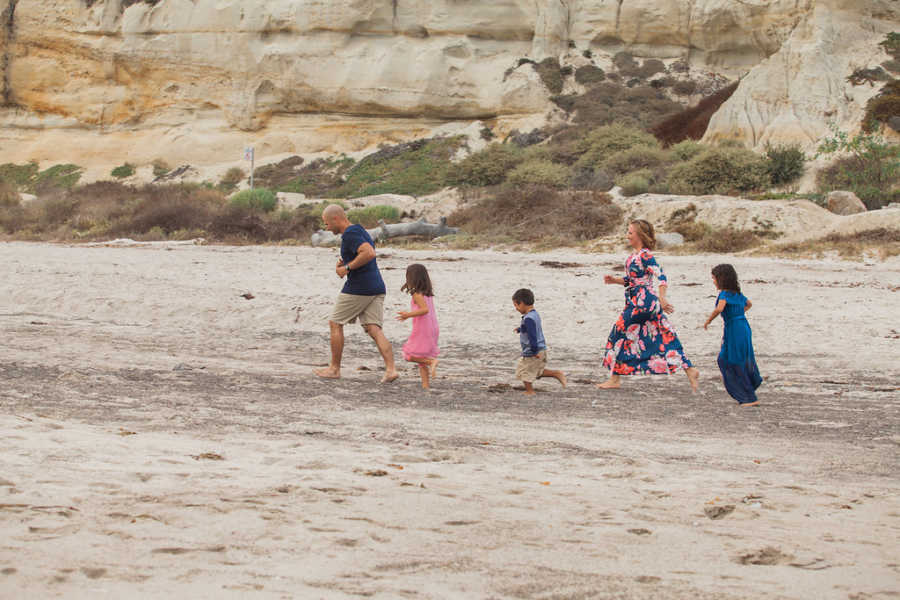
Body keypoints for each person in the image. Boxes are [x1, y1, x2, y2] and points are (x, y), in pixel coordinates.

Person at [598, 219, 700, 391]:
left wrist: (662, 298)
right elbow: (633, 280)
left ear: (640, 236)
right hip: (640, 301)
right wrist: (614, 280)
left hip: (642, 303)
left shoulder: (645, 256)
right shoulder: (634, 256)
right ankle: (690, 369)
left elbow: (661, 277)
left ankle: (615, 378)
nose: (627, 236)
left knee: (618, 336)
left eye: (630, 233)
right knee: (664, 335)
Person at [313, 204, 399, 383]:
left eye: (327, 224)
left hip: (360, 287)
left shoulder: (350, 234)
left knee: (335, 323)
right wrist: (345, 262)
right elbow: (362, 252)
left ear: (336, 219)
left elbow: (368, 253)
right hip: (376, 286)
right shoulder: (358, 230)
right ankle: (391, 369)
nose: (326, 228)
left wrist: (347, 268)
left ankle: (334, 369)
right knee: (374, 328)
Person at [703, 264, 762, 406]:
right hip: (743, 326)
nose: (713, 281)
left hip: (734, 329)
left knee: (728, 359)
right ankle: (749, 391)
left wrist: (708, 321)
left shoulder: (724, 294)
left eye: (714, 278)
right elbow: (749, 304)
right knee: (738, 358)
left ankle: (748, 397)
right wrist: (738, 314)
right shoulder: (737, 294)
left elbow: (719, 308)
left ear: (721, 279)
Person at [512, 288, 567, 395]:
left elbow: (533, 335)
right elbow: (531, 328)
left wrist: (534, 350)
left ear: (522, 303)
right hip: (541, 348)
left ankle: (530, 391)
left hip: (534, 350)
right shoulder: (534, 314)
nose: (516, 308)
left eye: (516, 305)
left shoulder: (528, 319)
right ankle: (556, 373)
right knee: (536, 371)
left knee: (525, 370)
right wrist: (520, 329)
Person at [396, 264, 440, 390]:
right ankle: (425, 386)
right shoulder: (428, 294)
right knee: (421, 360)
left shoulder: (416, 294)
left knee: (409, 354)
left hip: (423, 329)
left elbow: (424, 310)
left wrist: (407, 315)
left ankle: (431, 362)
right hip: (432, 328)